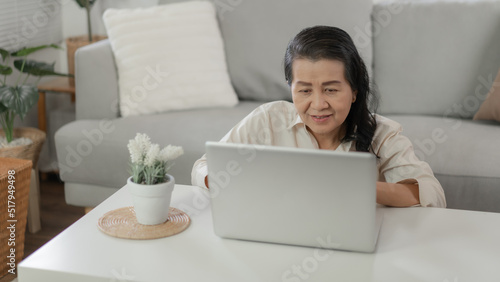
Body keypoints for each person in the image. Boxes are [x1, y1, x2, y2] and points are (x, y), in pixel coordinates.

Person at [191, 26, 446, 208]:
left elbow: (432, 193)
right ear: (291, 89)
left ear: (354, 91)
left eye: (331, 90)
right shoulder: (267, 119)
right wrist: (227, 178)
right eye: (304, 91)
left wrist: (357, 188)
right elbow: (203, 166)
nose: (318, 104)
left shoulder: (383, 133)